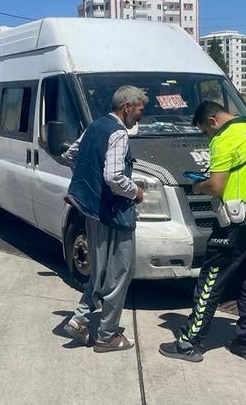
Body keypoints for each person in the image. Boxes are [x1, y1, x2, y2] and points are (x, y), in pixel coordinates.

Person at [159, 100, 246, 363]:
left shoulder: (223, 139)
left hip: (234, 220)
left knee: (210, 280)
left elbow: (217, 185)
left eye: (205, 131)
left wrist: (201, 187)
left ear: (212, 121)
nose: (207, 136)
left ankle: (190, 342)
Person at [61, 85, 148, 353]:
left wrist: (89, 184)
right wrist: (136, 192)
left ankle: (79, 320)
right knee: (120, 272)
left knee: (99, 271)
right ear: (127, 107)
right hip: (114, 212)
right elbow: (113, 176)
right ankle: (107, 334)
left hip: (92, 209)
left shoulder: (95, 126)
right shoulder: (119, 133)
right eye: (139, 110)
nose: (140, 116)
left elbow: (70, 155)